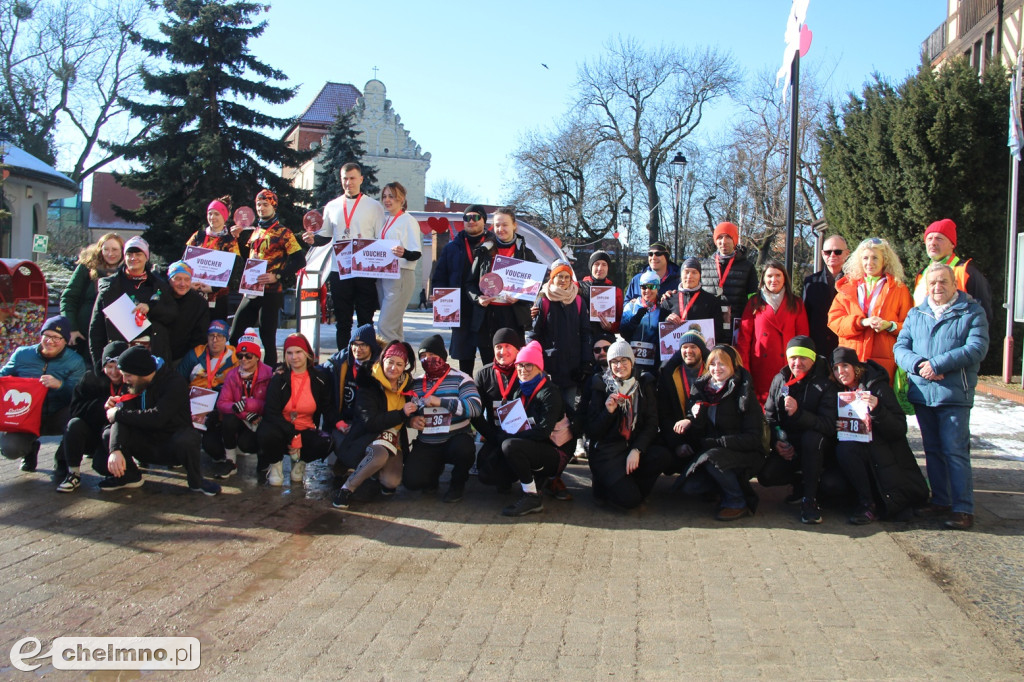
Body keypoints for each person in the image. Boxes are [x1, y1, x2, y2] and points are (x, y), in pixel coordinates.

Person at [895, 262, 989, 530]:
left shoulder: (971, 312)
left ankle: (963, 508)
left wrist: (937, 364)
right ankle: (940, 500)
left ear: (954, 284)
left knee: (955, 451)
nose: (937, 287)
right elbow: (901, 347)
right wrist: (919, 365)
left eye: (943, 282)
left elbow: (976, 348)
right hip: (924, 393)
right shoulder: (917, 314)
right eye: (932, 283)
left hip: (953, 394)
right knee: (933, 450)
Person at [99, 346, 220, 495]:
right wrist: (115, 449)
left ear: (142, 372)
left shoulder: (174, 382)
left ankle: (196, 481)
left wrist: (118, 414)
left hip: (171, 445)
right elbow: (121, 417)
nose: (124, 380)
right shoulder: (132, 384)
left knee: (188, 438)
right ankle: (129, 477)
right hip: (145, 443)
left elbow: (158, 417)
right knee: (109, 434)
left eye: (128, 375)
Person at [831, 347, 928, 524]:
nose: (840, 372)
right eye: (836, 368)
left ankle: (870, 504)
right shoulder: (837, 392)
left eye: (845, 366)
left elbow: (899, 428)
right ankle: (865, 501)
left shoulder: (878, 387)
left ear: (855, 367)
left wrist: (877, 409)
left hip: (885, 453)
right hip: (858, 452)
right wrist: (838, 427)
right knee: (841, 459)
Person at [672, 345, 767, 521]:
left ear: (733, 366)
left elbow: (753, 438)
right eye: (713, 364)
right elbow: (698, 433)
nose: (717, 369)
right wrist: (691, 420)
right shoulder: (702, 389)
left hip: (744, 452)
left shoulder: (744, 392)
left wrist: (719, 443)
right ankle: (724, 489)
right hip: (713, 450)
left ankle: (737, 501)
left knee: (712, 459)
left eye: (722, 364)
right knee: (690, 487)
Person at [304, 162, 385, 350]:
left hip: (365, 270)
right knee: (343, 319)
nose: (348, 182)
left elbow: (381, 237)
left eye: (352, 178)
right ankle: (343, 359)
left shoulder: (374, 206)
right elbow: (325, 235)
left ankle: (367, 360)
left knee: (365, 319)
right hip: (339, 269)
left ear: (361, 179)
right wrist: (313, 240)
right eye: (345, 179)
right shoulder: (332, 206)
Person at [758, 336, 838, 525]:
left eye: (803, 358)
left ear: (812, 359)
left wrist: (798, 413)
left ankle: (810, 500)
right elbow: (769, 416)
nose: (797, 363)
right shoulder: (780, 378)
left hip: (817, 446)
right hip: (789, 444)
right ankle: (800, 485)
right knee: (766, 476)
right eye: (793, 357)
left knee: (811, 439)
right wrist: (776, 443)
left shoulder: (825, 383)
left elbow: (828, 425)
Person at [332, 340, 417, 509]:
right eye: (390, 362)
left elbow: (406, 416)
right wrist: (401, 414)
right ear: (382, 360)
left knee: (391, 483)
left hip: (393, 440)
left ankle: (373, 472)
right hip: (367, 436)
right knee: (379, 455)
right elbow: (370, 422)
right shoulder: (369, 383)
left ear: (405, 366)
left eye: (399, 364)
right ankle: (346, 489)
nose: (394, 368)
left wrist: (412, 419)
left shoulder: (406, 384)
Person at [586, 340, 670, 510]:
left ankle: (632, 487)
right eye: (614, 362)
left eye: (624, 360)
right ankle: (606, 485)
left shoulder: (644, 383)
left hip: (632, 446)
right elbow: (592, 431)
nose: (620, 366)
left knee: (662, 456)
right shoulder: (600, 384)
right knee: (629, 501)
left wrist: (637, 449)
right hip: (608, 452)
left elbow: (652, 423)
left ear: (632, 362)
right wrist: (607, 412)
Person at [402, 335, 483, 503]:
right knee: (412, 482)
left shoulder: (461, 378)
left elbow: (475, 408)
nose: (427, 360)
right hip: (428, 441)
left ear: (442, 356)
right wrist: (412, 421)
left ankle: (457, 484)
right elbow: (406, 410)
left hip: (455, 438)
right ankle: (432, 474)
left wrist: (442, 402)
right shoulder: (416, 383)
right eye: (423, 356)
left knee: (464, 450)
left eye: (432, 355)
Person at [0, 316, 87, 472]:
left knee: (79, 418)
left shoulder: (75, 361)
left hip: (57, 414)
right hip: (24, 415)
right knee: (10, 448)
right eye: (46, 335)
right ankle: (30, 450)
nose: (50, 341)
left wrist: (60, 385)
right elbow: (3, 377)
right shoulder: (21, 354)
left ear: (65, 340)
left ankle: (63, 457)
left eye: (56, 337)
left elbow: (78, 395)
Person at [229, 189, 304, 366]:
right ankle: (233, 374)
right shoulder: (256, 231)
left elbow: (300, 260)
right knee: (234, 335)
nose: (261, 208)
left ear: (273, 206)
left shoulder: (283, 232)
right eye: (258, 205)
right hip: (251, 289)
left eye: (266, 204)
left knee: (267, 337)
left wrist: (277, 276)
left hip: (271, 292)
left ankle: (269, 378)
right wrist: (237, 238)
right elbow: (247, 256)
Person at [828, 237, 913, 384]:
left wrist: (890, 326)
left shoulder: (899, 289)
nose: (869, 262)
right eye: (865, 258)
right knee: (850, 406)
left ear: (884, 260)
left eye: (875, 258)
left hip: (883, 361)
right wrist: (861, 322)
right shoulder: (847, 288)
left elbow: (909, 326)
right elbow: (834, 322)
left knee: (880, 404)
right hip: (851, 359)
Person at [497, 341, 565, 517]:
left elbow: (543, 431)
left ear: (539, 368)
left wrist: (513, 437)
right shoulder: (520, 390)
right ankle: (534, 480)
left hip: (554, 451)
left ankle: (532, 496)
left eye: (529, 365)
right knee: (490, 470)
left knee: (510, 446)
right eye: (520, 365)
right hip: (532, 445)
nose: (523, 369)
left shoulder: (550, 392)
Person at [256, 333, 332, 486]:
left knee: (326, 441)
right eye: (289, 353)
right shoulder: (279, 378)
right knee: (267, 433)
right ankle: (276, 465)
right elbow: (271, 412)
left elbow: (327, 406)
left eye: (298, 352)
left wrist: (339, 424)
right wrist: (293, 433)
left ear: (307, 354)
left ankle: (300, 462)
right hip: (281, 428)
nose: (294, 357)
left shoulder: (319, 378)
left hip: (306, 427)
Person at [89, 236, 177, 367]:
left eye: (138, 254)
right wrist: (100, 365)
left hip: (152, 354)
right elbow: (96, 329)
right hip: (119, 355)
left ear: (146, 257)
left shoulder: (159, 285)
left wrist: (151, 308)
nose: (133, 258)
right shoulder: (110, 286)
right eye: (129, 254)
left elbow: (172, 314)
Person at [54, 341, 130, 492]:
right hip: (93, 429)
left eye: (118, 367)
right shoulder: (90, 378)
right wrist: (102, 406)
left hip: (116, 435)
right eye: (109, 367)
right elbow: (76, 408)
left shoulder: (132, 380)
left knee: (102, 466)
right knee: (74, 424)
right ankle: (73, 473)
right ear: (103, 366)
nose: (114, 372)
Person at [467, 207, 538, 367]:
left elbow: (536, 285)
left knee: (513, 363)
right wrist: (478, 299)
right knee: (490, 364)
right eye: (497, 225)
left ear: (514, 226)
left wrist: (519, 297)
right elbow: (469, 284)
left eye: (505, 225)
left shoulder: (525, 253)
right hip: (487, 317)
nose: (501, 229)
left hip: (513, 316)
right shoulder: (484, 251)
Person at [735, 260, 809, 404]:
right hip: (760, 367)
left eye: (778, 275)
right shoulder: (754, 303)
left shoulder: (796, 303)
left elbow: (803, 338)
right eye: (769, 276)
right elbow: (744, 339)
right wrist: (745, 369)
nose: (773, 280)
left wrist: (801, 366)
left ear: (784, 278)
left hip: (788, 366)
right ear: (763, 279)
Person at [430, 204, 492, 374]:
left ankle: (489, 396)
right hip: (460, 310)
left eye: (476, 217)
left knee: (490, 358)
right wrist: (437, 295)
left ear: (484, 221)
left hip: (486, 309)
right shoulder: (452, 247)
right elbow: (440, 275)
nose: (471, 221)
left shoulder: (493, 245)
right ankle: (467, 393)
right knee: (465, 358)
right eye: (467, 218)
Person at [320, 323, 381, 485]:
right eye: (354, 344)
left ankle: (360, 469)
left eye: (363, 345)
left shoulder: (381, 365)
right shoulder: (339, 364)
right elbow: (325, 397)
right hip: (344, 422)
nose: (358, 349)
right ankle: (348, 466)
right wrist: (337, 422)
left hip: (370, 423)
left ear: (372, 347)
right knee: (339, 442)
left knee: (389, 477)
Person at [527, 259, 591, 410]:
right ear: (552, 278)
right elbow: (533, 334)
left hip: (572, 368)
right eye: (559, 276)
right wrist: (535, 363)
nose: (563, 280)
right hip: (549, 368)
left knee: (569, 409)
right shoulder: (543, 300)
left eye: (566, 277)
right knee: (549, 409)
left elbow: (585, 332)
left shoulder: (579, 301)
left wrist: (586, 362)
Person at [912, 218, 993, 325]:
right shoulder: (922, 274)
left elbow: (984, 316)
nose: (933, 243)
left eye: (939, 238)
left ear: (952, 244)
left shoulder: (966, 272)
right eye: (929, 238)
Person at [178, 319, 236, 466]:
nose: (214, 340)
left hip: (217, 408)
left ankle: (222, 448)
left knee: (213, 449)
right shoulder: (195, 355)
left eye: (219, 336)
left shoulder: (235, 358)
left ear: (226, 338)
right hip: (193, 405)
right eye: (211, 336)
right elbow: (178, 380)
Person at [215, 328, 271, 478]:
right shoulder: (232, 375)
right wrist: (245, 413)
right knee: (228, 418)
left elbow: (271, 405)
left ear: (257, 357)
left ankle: (264, 457)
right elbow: (222, 403)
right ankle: (230, 461)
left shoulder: (269, 374)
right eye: (240, 356)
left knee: (251, 440)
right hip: (243, 419)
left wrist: (247, 404)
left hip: (261, 420)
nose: (244, 359)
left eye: (248, 356)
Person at [472, 328, 523, 492]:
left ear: (517, 349)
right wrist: (492, 436)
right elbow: (476, 413)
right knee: (485, 470)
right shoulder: (483, 374)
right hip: (495, 433)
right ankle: (505, 478)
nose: (503, 351)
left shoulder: (527, 371)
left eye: (508, 346)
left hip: (523, 435)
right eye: (498, 347)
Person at [60, 232, 124, 362]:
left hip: (114, 332)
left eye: (115, 249)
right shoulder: (87, 268)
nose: (110, 254)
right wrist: (72, 328)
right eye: (106, 249)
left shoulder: (127, 272)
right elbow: (68, 298)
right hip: (85, 332)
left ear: (122, 251)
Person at [375, 181, 422, 342]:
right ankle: (400, 362)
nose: (387, 200)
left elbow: (416, 253)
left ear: (401, 199)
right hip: (385, 276)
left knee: (385, 326)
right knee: (394, 327)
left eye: (392, 196)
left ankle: (387, 363)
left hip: (401, 275)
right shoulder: (387, 220)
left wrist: (404, 253)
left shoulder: (408, 220)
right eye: (385, 196)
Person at [657, 327, 707, 474]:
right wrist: (677, 444)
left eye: (693, 347)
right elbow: (664, 414)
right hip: (678, 436)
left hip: (706, 437)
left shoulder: (713, 373)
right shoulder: (669, 374)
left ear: (702, 350)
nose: (688, 351)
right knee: (658, 455)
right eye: (684, 347)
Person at [185, 195, 242, 322]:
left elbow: (234, 272)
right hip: (194, 295)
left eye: (216, 214)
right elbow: (185, 262)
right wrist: (188, 282)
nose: (212, 217)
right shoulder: (198, 236)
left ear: (224, 217)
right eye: (210, 213)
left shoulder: (229, 241)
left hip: (218, 298)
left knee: (215, 334)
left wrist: (214, 288)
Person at [700, 222, 758, 340]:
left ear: (735, 240)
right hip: (710, 328)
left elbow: (753, 299)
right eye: (720, 238)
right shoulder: (704, 265)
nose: (724, 241)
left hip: (736, 327)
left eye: (728, 237)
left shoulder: (748, 267)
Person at [802, 235, 849, 359]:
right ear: (822, 254)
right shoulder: (811, 282)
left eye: (837, 252)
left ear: (847, 254)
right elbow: (806, 316)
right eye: (828, 252)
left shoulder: (855, 282)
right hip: (818, 348)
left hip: (845, 347)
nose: (832, 255)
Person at [662, 257, 726, 347]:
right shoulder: (669, 299)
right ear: (681, 274)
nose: (689, 276)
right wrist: (666, 321)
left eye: (694, 272)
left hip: (700, 355)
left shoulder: (711, 301)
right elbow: (658, 331)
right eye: (686, 272)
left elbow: (718, 332)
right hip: (674, 355)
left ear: (700, 276)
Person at [620, 270, 671, 370]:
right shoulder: (631, 306)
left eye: (652, 286)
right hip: (632, 361)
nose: (647, 290)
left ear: (658, 287)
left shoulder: (663, 307)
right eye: (644, 287)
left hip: (654, 362)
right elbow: (623, 332)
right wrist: (635, 320)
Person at [165, 261, 211, 365]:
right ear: (169, 280)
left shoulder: (199, 303)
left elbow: (201, 336)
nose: (182, 284)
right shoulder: (161, 298)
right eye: (177, 279)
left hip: (184, 358)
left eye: (186, 279)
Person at [579, 250, 623, 336]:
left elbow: (621, 321)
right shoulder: (578, 286)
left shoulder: (616, 291)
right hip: (583, 338)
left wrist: (611, 327)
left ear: (608, 268)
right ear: (591, 267)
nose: (600, 268)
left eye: (604, 264)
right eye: (596, 264)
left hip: (605, 339)